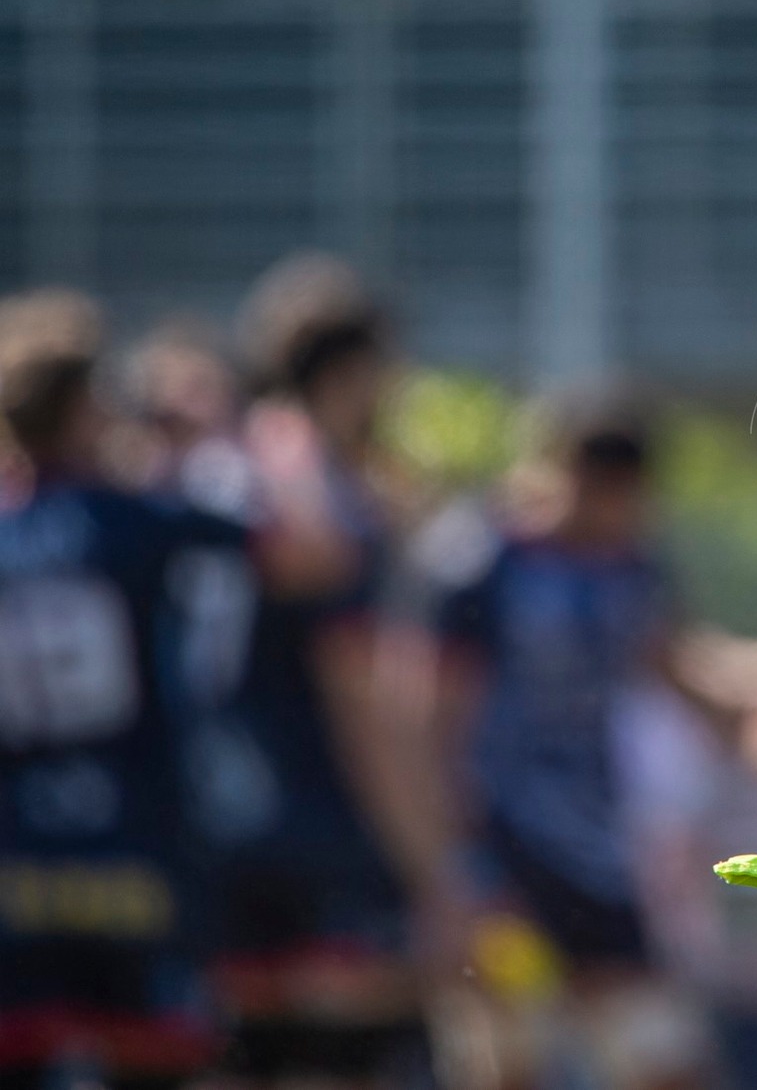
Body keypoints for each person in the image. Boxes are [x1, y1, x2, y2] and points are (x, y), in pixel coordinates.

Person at [207, 254, 462, 1087]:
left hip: (216, 816)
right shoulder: (319, 501)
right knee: (365, 1054)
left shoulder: (218, 470)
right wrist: (435, 864)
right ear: (354, 372)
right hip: (323, 822)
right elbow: (360, 694)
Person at [423, 386, 718, 1090]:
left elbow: (677, 665)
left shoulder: (634, 566)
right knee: (508, 1060)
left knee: (665, 1058)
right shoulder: (482, 562)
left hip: (596, 852)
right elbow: (435, 723)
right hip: (501, 850)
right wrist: (447, 862)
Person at [0, 290, 246, 1090]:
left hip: (18, 859)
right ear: (80, 410)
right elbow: (292, 550)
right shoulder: (135, 519)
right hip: (132, 849)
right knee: (158, 1054)